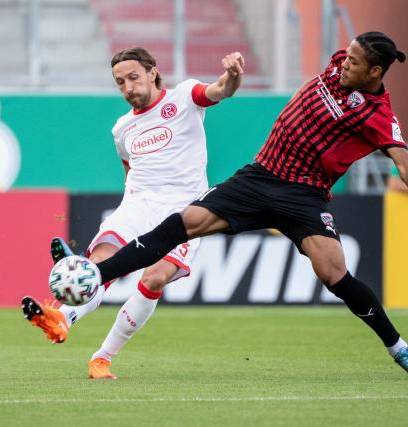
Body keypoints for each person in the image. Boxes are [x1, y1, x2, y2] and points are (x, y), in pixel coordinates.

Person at [55, 31, 408, 381]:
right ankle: (94, 274)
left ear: (375, 72)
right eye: (347, 54)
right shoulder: (341, 63)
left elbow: (404, 159)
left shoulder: (377, 114)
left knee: (334, 274)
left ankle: (399, 348)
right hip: (260, 176)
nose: (343, 62)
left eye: (354, 61)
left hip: (305, 196)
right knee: (184, 223)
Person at [21, 47, 245, 379]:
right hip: (138, 204)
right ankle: (62, 319)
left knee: (154, 277)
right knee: (101, 264)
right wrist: (126, 211)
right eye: (120, 82)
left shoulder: (184, 97)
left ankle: (102, 357)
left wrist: (234, 75)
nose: (127, 87)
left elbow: (220, 90)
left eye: (133, 77)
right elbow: (130, 172)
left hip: (185, 210)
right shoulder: (122, 129)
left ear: (153, 72)